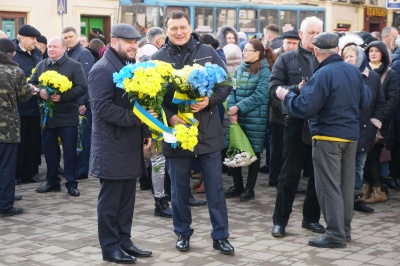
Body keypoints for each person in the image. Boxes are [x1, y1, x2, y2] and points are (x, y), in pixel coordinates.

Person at [276, 32, 371, 248]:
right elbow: (366, 99)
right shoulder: (353, 71)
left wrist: (287, 95)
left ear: (316, 51)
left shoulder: (322, 74)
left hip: (327, 136)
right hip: (350, 136)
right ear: (337, 50)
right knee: (346, 187)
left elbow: (304, 107)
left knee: (328, 187)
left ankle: (335, 235)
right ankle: (344, 231)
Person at [151, 10, 234, 255]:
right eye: (174, 28)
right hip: (176, 134)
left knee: (215, 188)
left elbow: (225, 84)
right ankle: (182, 234)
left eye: (183, 27)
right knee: (178, 189)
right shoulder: (158, 58)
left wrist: (210, 100)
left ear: (190, 27)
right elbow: (153, 98)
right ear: (166, 29)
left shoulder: (207, 52)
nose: (178, 32)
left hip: (207, 132)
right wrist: (171, 116)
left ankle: (221, 236)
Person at [88, 23, 153, 264]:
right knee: (111, 201)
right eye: (129, 42)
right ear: (114, 42)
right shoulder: (102, 69)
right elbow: (102, 108)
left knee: (127, 199)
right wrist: (136, 120)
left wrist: (145, 129)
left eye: (136, 42)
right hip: (112, 145)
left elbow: (138, 104)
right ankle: (110, 247)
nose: (134, 46)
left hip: (129, 143)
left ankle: (124, 241)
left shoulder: (128, 66)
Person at [269, 16, 325, 238]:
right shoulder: (286, 58)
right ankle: (280, 221)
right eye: (311, 32)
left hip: (321, 124)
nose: (315, 36)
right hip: (294, 123)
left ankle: (311, 219)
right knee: (289, 175)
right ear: (301, 35)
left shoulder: (327, 59)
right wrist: (295, 89)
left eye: (318, 32)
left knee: (317, 175)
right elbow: (273, 89)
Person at [31, 37, 86, 197]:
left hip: (67, 116)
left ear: (64, 49)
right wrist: (38, 92)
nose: (51, 49)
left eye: (55, 47)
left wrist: (63, 97)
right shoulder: (42, 65)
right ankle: (52, 181)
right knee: (49, 151)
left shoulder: (74, 66)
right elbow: (32, 83)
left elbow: (82, 87)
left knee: (69, 152)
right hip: (48, 117)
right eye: (49, 47)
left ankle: (71, 182)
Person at [225, 39, 274, 201]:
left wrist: (238, 108)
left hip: (255, 119)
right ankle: (237, 185)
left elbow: (261, 95)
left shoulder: (264, 70)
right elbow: (232, 91)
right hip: (237, 117)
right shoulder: (239, 69)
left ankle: (249, 189)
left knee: (254, 152)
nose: (244, 53)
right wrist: (232, 110)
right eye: (243, 50)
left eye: (248, 50)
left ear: (258, 53)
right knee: (235, 149)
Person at [341, 42, 385, 213]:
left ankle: (356, 199)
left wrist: (375, 122)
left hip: (366, 129)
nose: (348, 59)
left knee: (359, 165)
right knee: (344, 166)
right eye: (345, 56)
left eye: (351, 56)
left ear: (359, 57)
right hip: (345, 129)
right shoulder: (341, 75)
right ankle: (343, 199)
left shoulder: (372, 77)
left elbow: (380, 102)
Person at [0, 38, 36, 218]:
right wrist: (31, 89)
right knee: (6, 167)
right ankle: (5, 205)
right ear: (11, 53)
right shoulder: (14, 71)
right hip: (7, 128)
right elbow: (23, 97)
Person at [363, 41, 400, 203]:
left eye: (377, 51)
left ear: (383, 54)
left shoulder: (390, 74)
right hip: (363, 120)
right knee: (366, 154)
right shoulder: (362, 71)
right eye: (371, 51)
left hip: (382, 123)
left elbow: (392, 100)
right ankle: (369, 187)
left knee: (375, 153)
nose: (373, 53)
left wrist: (378, 119)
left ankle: (378, 188)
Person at [62, 27, 95, 181]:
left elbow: (88, 80)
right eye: (65, 37)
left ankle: (82, 170)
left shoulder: (83, 53)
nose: (68, 39)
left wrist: (84, 103)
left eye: (70, 36)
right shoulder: (68, 53)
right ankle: (76, 167)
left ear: (76, 36)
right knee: (77, 137)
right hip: (72, 103)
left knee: (84, 137)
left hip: (83, 104)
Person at [12, 24, 44, 185]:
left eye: (36, 39)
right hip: (20, 108)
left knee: (33, 142)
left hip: (36, 107)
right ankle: (17, 174)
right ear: (22, 38)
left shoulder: (37, 55)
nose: (35, 42)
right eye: (32, 38)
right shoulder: (13, 56)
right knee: (20, 143)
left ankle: (30, 172)